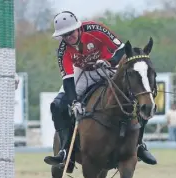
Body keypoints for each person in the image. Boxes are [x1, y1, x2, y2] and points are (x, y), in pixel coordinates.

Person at [44, 11, 157, 168]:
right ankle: (64, 151)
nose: (68, 37)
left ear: (78, 28)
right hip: (81, 72)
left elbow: (121, 49)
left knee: (136, 95)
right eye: (64, 35)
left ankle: (139, 145)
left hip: (107, 67)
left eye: (70, 32)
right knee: (58, 106)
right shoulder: (63, 50)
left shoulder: (96, 29)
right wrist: (75, 102)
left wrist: (110, 61)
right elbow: (68, 80)